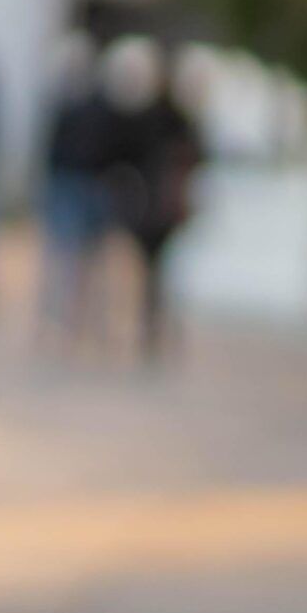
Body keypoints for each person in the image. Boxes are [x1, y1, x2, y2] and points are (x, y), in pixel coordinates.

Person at [98, 35, 203, 365]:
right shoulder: (177, 118)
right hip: (161, 204)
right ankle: (152, 326)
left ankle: (148, 326)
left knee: (148, 270)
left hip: (150, 203)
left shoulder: (151, 115)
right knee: (156, 271)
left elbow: (119, 152)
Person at [37, 32, 114, 353]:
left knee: (85, 261)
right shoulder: (67, 104)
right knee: (63, 258)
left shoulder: (96, 106)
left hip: (86, 186)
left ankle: (80, 322)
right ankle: (57, 322)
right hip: (68, 185)